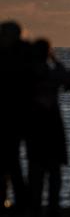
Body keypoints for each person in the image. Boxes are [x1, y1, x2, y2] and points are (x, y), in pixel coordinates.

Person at [26, 39, 69, 217]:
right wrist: (55, 59)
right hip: (53, 128)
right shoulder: (53, 74)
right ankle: (53, 206)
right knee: (54, 172)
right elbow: (67, 77)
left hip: (35, 129)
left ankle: (34, 205)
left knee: (35, 171)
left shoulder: (28, 75)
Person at [0, 21, 31, 211]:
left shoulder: (6, 57)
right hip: (20, 119)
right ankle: (22, 202)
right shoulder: (25, 56)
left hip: (8, 119)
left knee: (9, 163)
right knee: (14, 164)